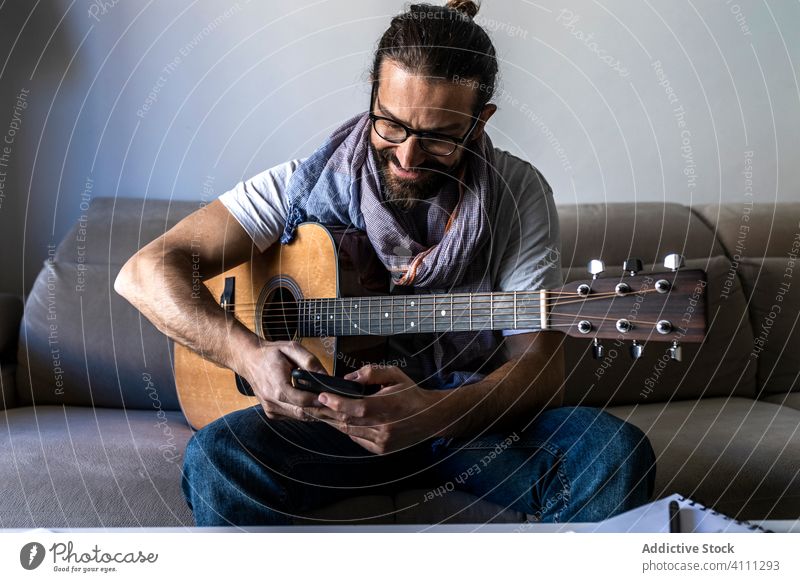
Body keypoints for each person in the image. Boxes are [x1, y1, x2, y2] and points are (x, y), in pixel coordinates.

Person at [114, 0, 655, 526]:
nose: (407, 157)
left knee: (610, 452)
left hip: (463, 422)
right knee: (220, 458)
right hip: (324, 426)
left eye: (439, 138)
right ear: (374, 92)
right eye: (390, 124)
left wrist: (432, 414)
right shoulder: (303, 182)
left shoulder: (517, 193)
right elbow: (145, 272)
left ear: (480, 120)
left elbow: (539, 373)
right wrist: (248, 354)